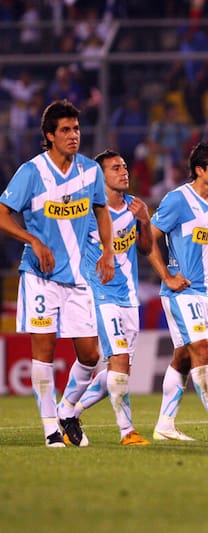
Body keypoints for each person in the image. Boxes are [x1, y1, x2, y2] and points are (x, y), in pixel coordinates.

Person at [0, 99, 115, 447]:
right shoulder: (31, 172)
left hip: (79, 276)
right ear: (49, 136)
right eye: (64, 130)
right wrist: (32, 240)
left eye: (76, 129)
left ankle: (66, 411)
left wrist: (108, 250)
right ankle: (51, 428)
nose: (73, 135)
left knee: (91, 355)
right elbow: (3, 214)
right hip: (40, 275)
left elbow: (102, 211)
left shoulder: (89, 172)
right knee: (44, 352)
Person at [148, 142, 208, 441]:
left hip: (205, 291)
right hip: (182, 291)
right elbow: (149, 238)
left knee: (183, 356)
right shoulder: (177, 200)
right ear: (199, 170)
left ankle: (165, 425)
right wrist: (166, 275)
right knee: (202, 350)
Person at [70, 149, 153, 446]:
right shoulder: (91, 212)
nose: (124, 171)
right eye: (116, 168)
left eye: (125, 166)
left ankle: (68, 412)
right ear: (100, 176)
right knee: (117, 360)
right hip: (100, 293)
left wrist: (144, 220)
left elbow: (145, 248)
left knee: (119, 371)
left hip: (128, 296)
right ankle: (127, 431)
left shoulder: (134, 206)